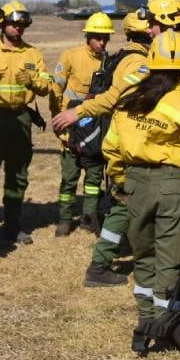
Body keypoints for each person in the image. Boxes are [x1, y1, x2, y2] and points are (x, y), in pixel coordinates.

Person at [103, 30, 180, 355]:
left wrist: (121, 182)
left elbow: (112, 147)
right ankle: (162, 324)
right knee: (170, 257)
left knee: (144, 254)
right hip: (173, 185)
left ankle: (146, 317)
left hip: (137, 183)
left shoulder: (129, 97)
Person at [51, 7, 155, 287]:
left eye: (105, 37)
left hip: (109, 132)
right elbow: (113, 96)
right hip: (120, 137)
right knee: (114, 195)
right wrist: (75, 114)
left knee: (109, 191)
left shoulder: (117, 58)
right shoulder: (137, 63)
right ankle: (96, 252)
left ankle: (98, 233)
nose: (102, 42)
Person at [0, 0, 53, 247]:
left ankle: (12, 227)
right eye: (14, 24)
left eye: (22, 25)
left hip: (21, 119)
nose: (19, 29)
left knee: (18, 176)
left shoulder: (33, 53)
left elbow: (46, 87)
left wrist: (34, 83)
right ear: (2, 24)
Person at [49, 12, 114, 237]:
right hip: (71, 128)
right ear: (88, 36)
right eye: (98, 37)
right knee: (69, 178)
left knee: (94, 178)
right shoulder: (70, 56)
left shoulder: (109, 62)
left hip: (95, 130)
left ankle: (89, 217)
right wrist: (58, 121)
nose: (102, 42)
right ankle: (65, 219)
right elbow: (55, 90)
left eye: (106, 38)